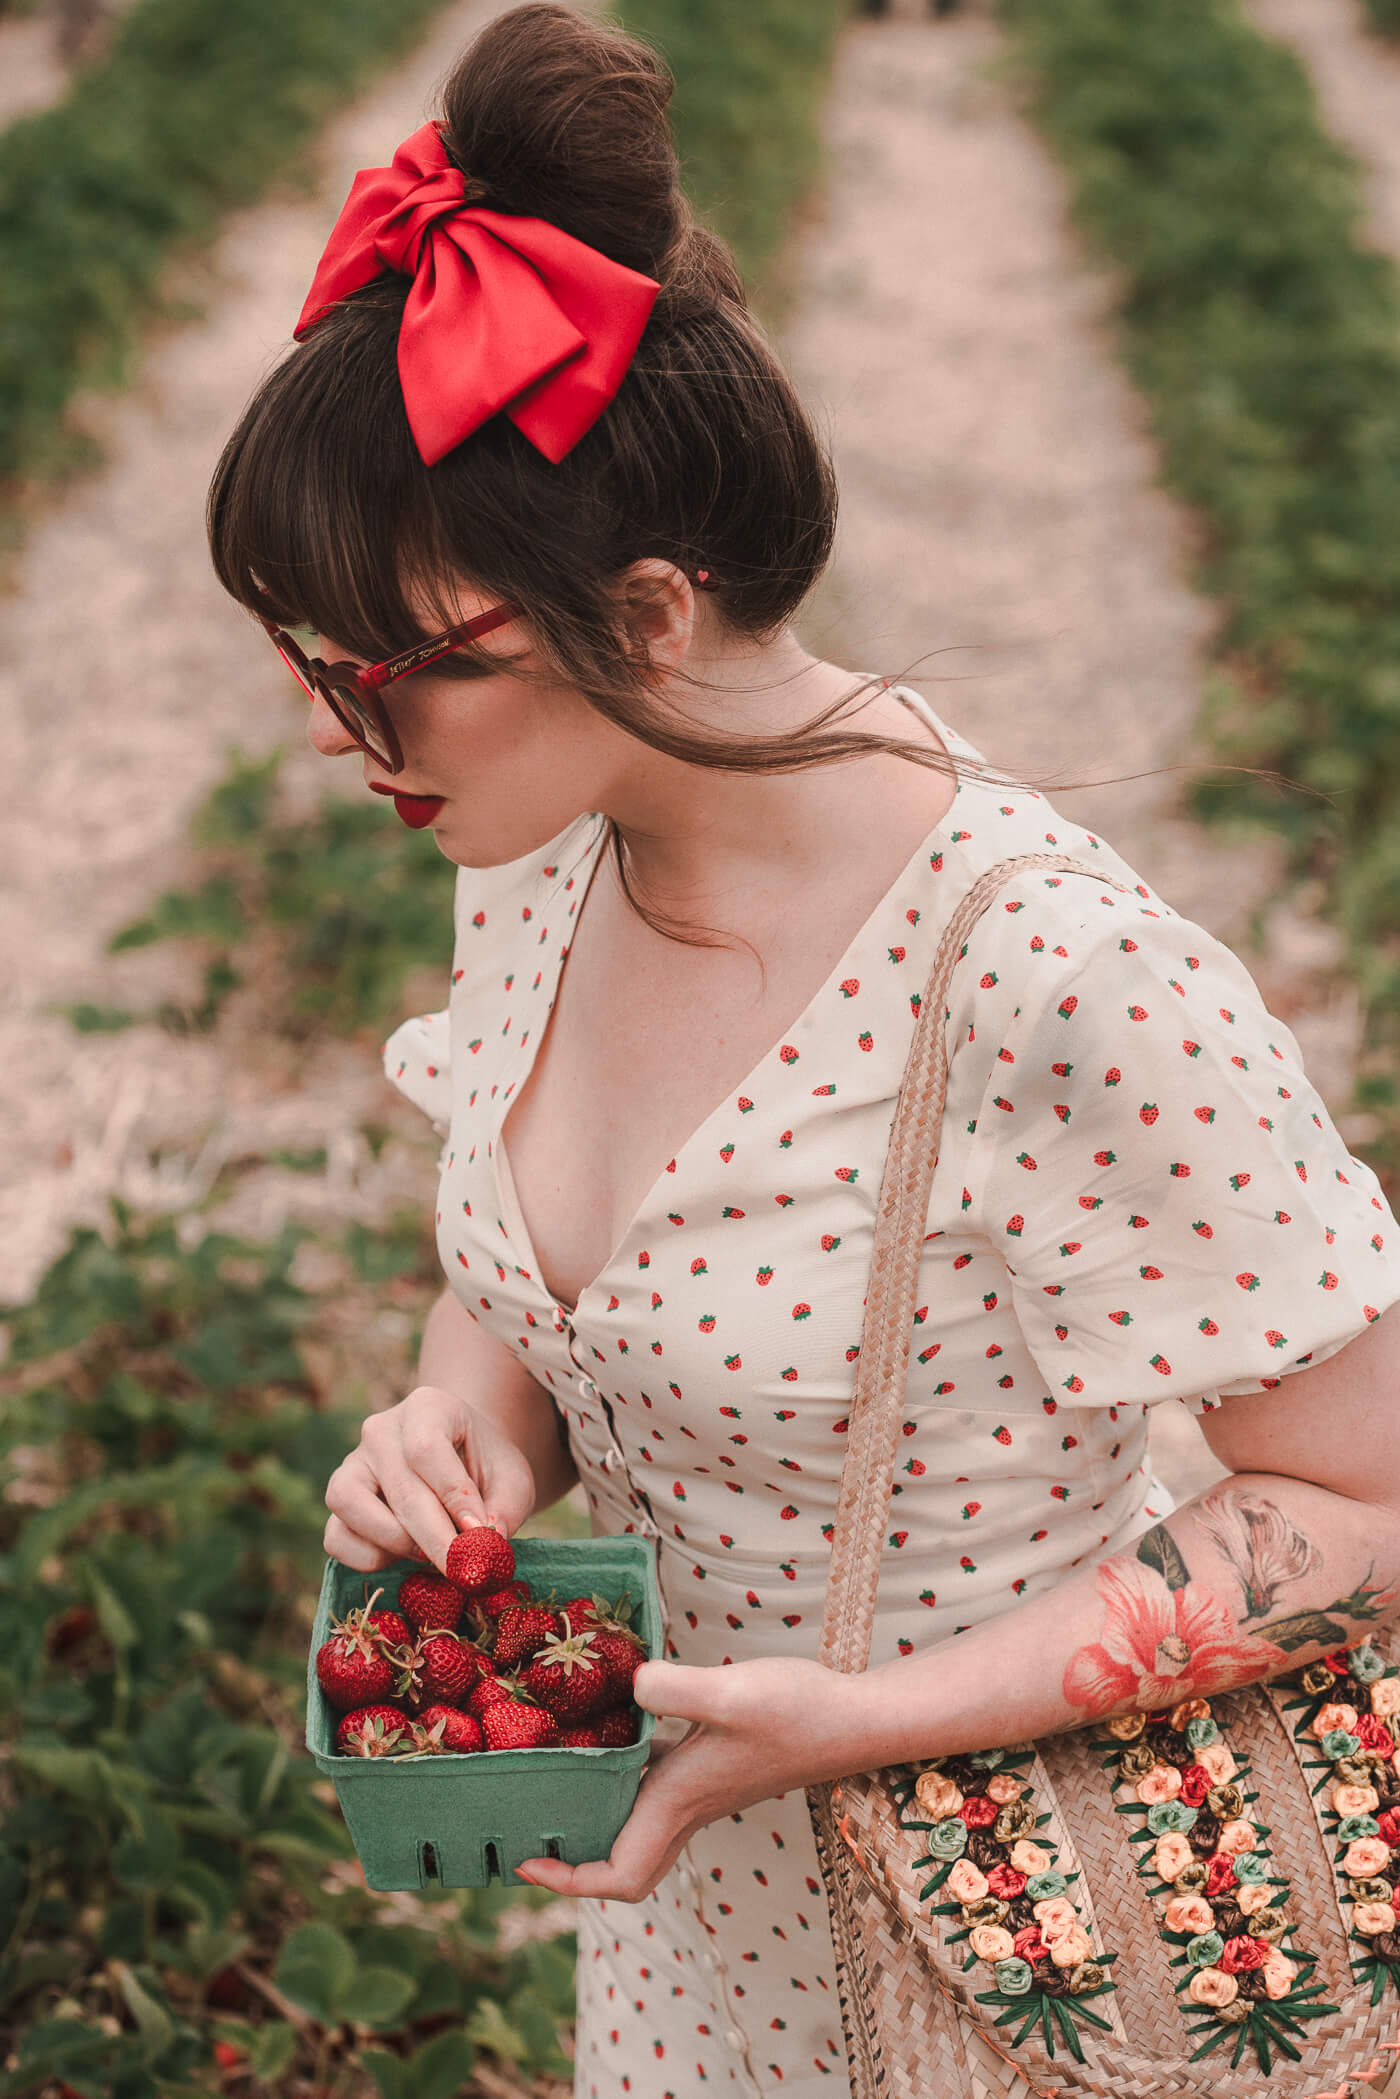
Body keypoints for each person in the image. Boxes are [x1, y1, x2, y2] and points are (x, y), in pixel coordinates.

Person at [207, 8, 1400, 2094]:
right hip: (682, 1953)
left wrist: (864, 1718)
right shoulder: (533, 860)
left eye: (387, 666)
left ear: (646, 617)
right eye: (312, 658)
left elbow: (1371, 1501)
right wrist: (463, 1422)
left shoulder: (1058, 981)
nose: (331, 727)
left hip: (1025, 1952)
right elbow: (544, 1278)